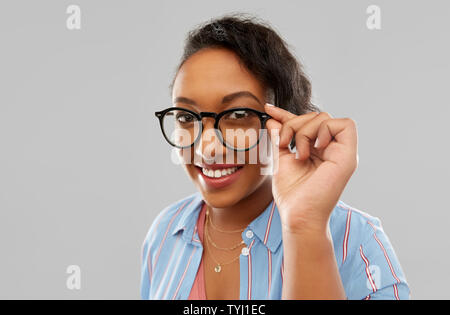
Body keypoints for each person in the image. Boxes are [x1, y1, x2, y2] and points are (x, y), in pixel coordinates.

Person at [140, 13, 410, 300]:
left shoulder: (355, 239)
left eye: (238, 115)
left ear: (287, 120)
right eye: (186, 116)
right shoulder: (166, 231)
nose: (208, 148)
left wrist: (305, 226)